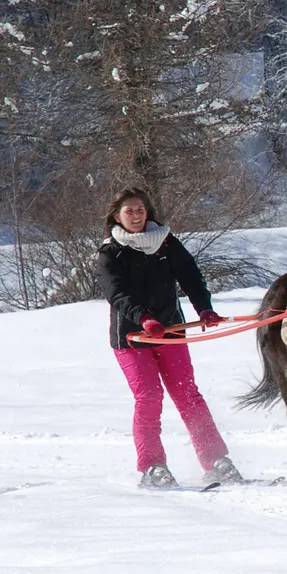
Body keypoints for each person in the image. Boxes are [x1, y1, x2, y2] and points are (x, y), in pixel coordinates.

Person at [96, 186, 242, 488]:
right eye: (129, 211)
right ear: (116, 216)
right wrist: (143, 317)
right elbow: (116, 294)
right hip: (132, 337)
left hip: (171, 331)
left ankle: (215, 460)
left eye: (140, 210)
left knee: (188, 394)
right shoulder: (110, 252)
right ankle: (152, 468)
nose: (135, 216)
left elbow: (190, 275)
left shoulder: (165, 242)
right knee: (149, 397)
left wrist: (204, 308)